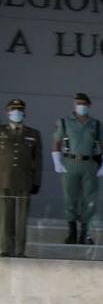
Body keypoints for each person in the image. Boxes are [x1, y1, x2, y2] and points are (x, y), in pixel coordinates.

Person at [52, 92, 103, 245]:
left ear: (89, 106)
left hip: (89, 163)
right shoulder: (64, 122)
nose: (81, 106)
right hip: (70, 162)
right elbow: (57, 142)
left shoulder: (96, 124)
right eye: (78, 103)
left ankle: (85, 233)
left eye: (83, 104)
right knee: (70, 198)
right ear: (74, 105)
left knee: (89, 200)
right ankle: (72, 232)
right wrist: (56, 161)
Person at [0, 98, 41, 257]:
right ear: (7, 112)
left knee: (21, 218)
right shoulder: (1, 131)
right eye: (13, 109)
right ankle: (4, 248)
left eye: (19, 110)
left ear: (24, 113)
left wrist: (36, 182)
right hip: (3, 179)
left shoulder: (33, 134)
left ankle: (19, 250)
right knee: (5, 216)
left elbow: (37, 161)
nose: (17, 112)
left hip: (24, 181)